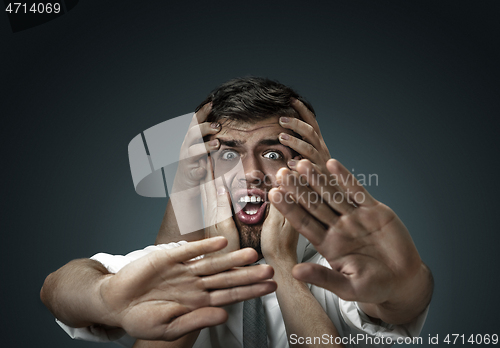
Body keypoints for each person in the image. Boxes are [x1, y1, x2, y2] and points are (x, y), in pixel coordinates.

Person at [41, 77, 433, 348]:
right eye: (228, 154)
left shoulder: (340, 274)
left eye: (272, 154)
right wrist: (104, 295)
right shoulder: (173, 270)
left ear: (304, 168)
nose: (250, 174)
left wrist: (281, 262)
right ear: (203, 172)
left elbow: (406, 296)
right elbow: (58, 289)